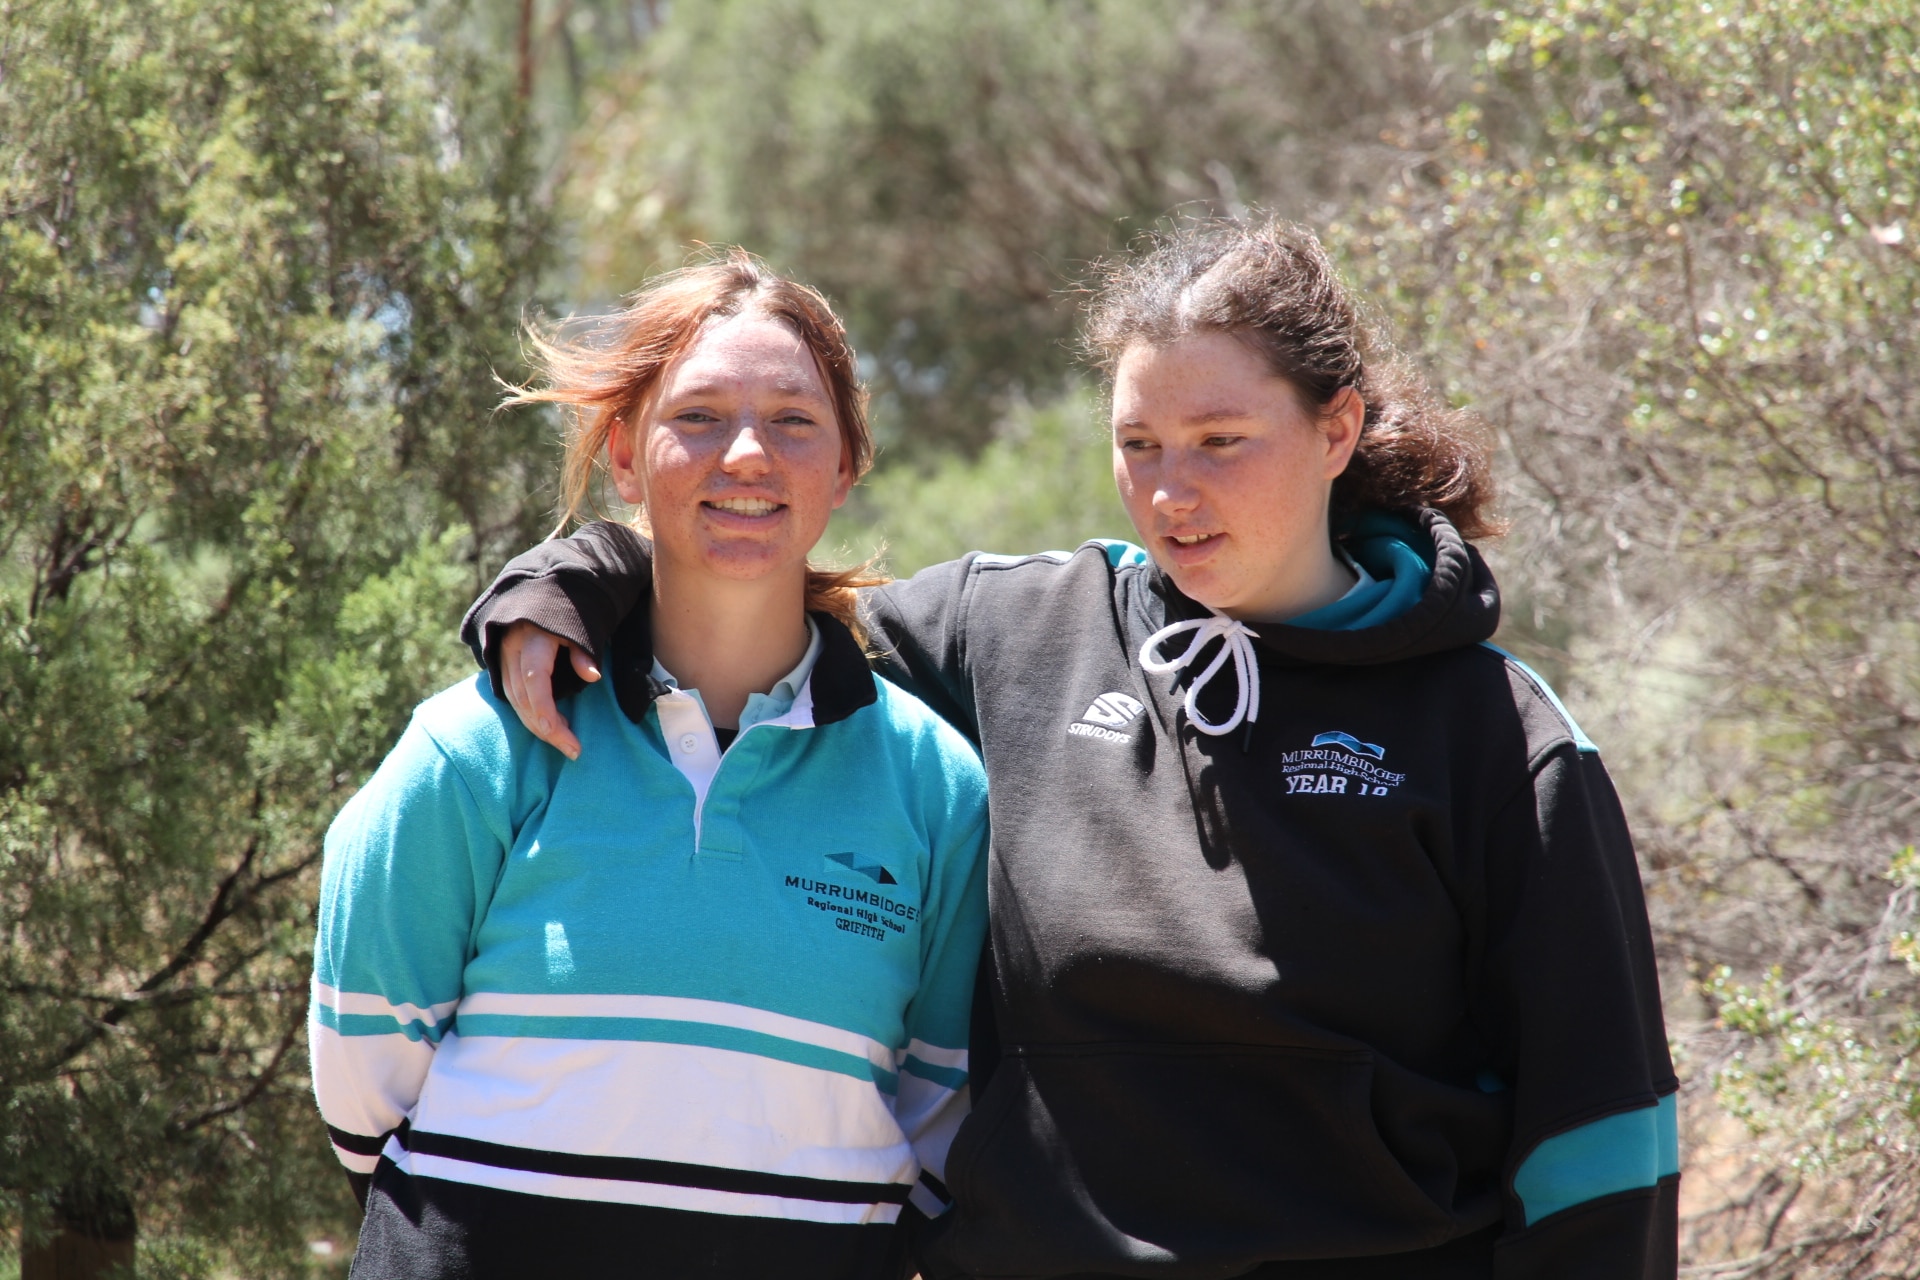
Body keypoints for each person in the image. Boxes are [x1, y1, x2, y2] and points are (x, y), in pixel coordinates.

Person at [461, 221, 1678, 1278]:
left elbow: (1599, 1136)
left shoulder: (1494, 733)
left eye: (1219, 439)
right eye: (1139, 443)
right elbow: (751, 612)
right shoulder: (1015, 634)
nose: (1170, 491)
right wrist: (583, 573)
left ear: (1337, 428)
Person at [309, 253, 989, 1279]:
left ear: (847, 466)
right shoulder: (482, 744)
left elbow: (937, 1119)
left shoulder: (934, 786)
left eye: (795, 421)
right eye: (701, 415)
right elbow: (363, 1087)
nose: (748, 453)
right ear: (626, 458)